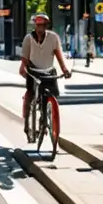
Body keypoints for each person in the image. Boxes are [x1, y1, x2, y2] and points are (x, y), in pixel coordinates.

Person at [19, 13, 71, 141]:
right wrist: (31, 69)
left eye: (42, 25)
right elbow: (24, 58)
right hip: (33, 71)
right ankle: (27, 120)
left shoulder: (53, 38)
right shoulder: (28, 39)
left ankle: (47, 116)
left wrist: (64, 69)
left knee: (51, 95)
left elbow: (58, 54)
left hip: (48, 71)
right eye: (38, 25)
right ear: (35, 25)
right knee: (30, 93)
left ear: (46, 25)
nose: (40, 28)